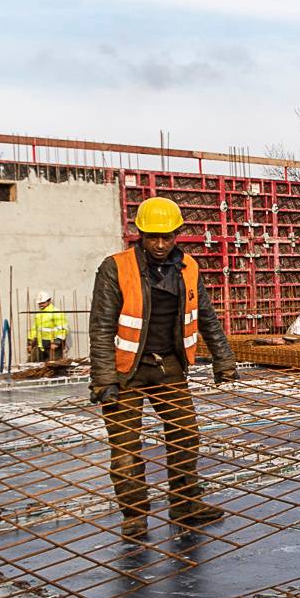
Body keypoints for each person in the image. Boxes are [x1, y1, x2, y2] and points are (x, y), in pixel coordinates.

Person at [88, 197, 236, 536]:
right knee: (126, 447)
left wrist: (223, 360)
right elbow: (101, 325)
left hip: (169, 367)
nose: (158, 244)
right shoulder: (116, 267)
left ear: (176, 235)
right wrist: (103, 379)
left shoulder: (189, 268)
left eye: (166, 237)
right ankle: (135, 516)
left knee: (186, 435)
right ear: (139, 233)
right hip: (126, 370)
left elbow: (207, 318)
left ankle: (185, 504)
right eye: (152, 236)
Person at [28, 291, 70, 362]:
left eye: (42, 303)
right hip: (41, 345)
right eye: (39, 303)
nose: (40, 305)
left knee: (54, 366)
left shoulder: (56, 312)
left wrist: (57, 342)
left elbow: (63, 329)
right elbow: (34, 329)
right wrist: (29, 342)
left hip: (53, 345)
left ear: (49, 301)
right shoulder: (39, 314)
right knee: (33, 364)